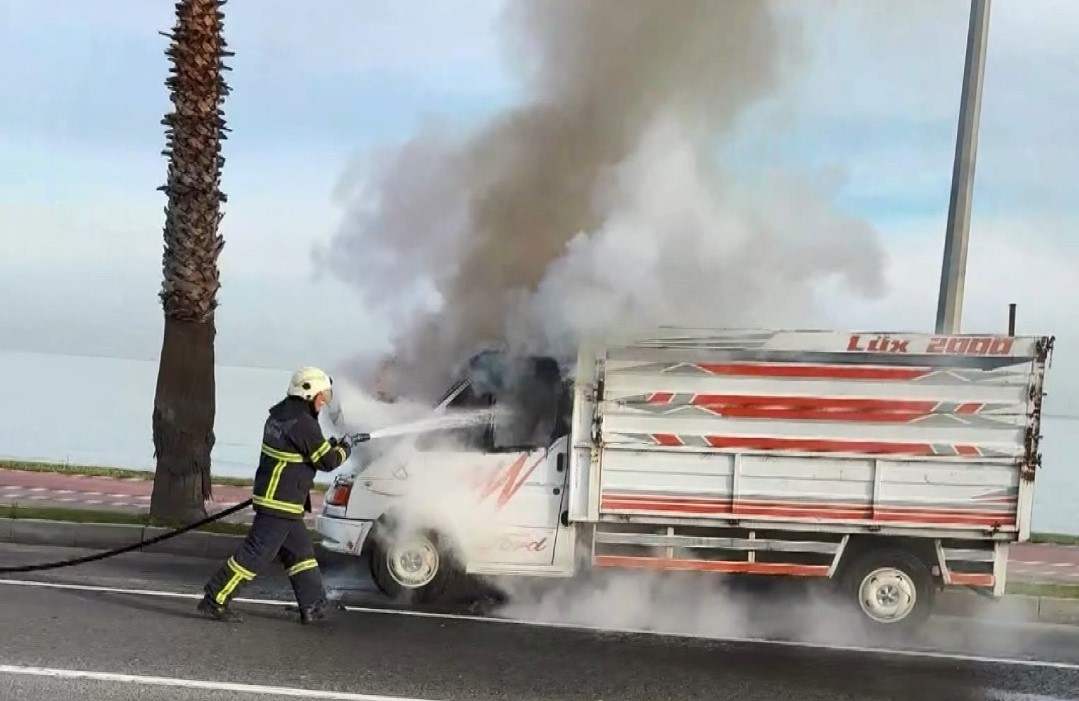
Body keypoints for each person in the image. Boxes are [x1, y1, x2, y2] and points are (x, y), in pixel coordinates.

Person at [197, 366, 353, 624]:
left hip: (282, 500)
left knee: (301, 555)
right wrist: (346, 448)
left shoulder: (283, 415)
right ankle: (215, 599)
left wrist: (333, 446)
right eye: (322, 396)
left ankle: (313, 605)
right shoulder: (303, 423)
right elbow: (326, 460)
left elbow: (310, 451)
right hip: (280, 503)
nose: (324, 402)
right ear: (310, 394)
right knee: (255, 554)